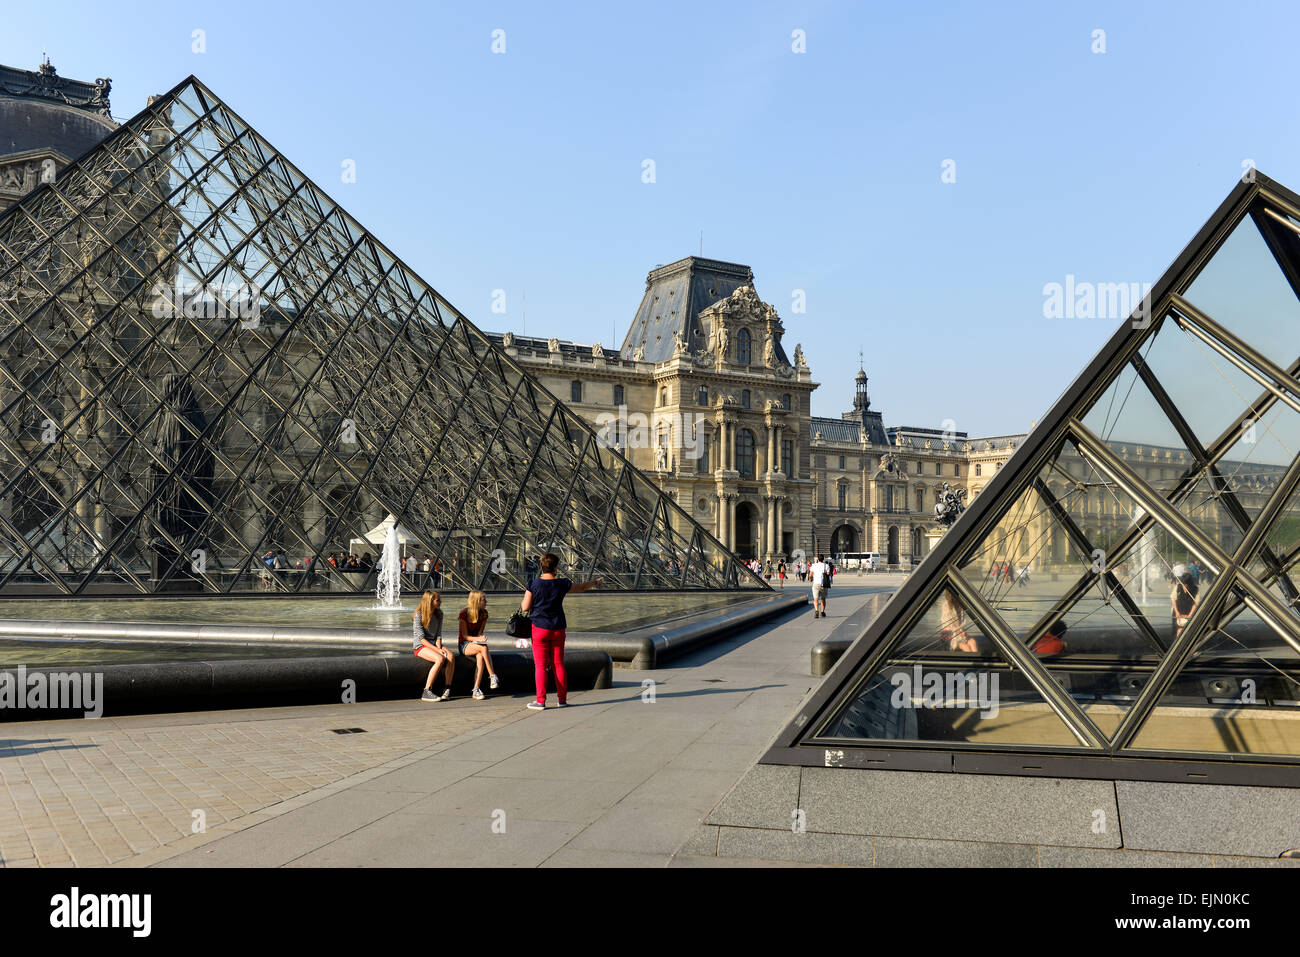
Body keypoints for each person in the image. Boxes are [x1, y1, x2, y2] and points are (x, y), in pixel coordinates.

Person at [520, 552, 602, 710]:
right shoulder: (562, 583)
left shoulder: (533, 583)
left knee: (541, 666)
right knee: (558, 664)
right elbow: (581, 587)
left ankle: (540, 701)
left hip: (539, 628)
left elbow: (525, 607)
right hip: (558, 627)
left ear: (541, 566)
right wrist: (595, 582)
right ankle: (562, 699)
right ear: (556, 567)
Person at [412, 589, 454, 701]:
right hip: (420, 646)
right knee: (439, 659)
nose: (440, 602)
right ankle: (427, 691)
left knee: (450, 656)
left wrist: (439, 646)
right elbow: (421, 639)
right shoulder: (418, 615)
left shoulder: (439, 614)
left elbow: (438, 634)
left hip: (433, 643)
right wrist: (437, 650)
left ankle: (447, 688)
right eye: (437, 600)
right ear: (430, 601)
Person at [459, 590, 499, 700]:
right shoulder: (463, 614)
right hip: (464, 645)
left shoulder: (484, 614)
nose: (486, 602)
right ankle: (492, 675)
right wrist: (478, 639)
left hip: (476, 644)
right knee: (483, 647)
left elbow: (480, 632)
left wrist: (481, 638)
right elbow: (465, 636)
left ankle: (476, 689)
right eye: (483, 600)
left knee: (481, 657)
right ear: (476, 601)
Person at [1171, 563, 1198, 638]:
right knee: (1177, 629)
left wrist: (1190, 615)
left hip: (1189, 610)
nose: (1184, 585)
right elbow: (1173, 599)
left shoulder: (1195, 589)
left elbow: (1195, 603)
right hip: (1177, 609)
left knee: (1188, 629)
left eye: (1186, 584)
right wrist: (1177, 612)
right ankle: (1176, 644)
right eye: (1183, 583)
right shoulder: (1178, 586)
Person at [810, 554, 828, 619]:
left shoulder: (814, 565)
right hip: (824, 584)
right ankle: (822, 612)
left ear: (818, 559)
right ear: (823, 559)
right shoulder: (826, 565)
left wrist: (811, 578)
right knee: (823, 598)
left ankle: (816, 610)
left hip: (816, 583)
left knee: (816, 598)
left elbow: (810, 575)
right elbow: (828, 574)